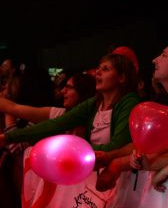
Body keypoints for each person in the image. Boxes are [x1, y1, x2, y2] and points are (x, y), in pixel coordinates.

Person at [95, 36, 168, 191]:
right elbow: (142, 143)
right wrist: (109, 156)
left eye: (164, 55)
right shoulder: (160, 100)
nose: (155, 60)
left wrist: (118, 164)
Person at [0, 54, 140, 152]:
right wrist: (8, 137)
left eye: (106, 69)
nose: (98, 72)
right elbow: (57, 124)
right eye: (99, 68)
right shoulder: (95, 103)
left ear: (121, 78)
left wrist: (74, 150)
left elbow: (118, 147)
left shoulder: (129, 102)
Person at [0, 72, 96, 124]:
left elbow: (17, 149)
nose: (62, 91)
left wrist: (9, 117)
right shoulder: (59, 113)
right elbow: (13, 108)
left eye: (69, 87)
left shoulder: (94, 119)